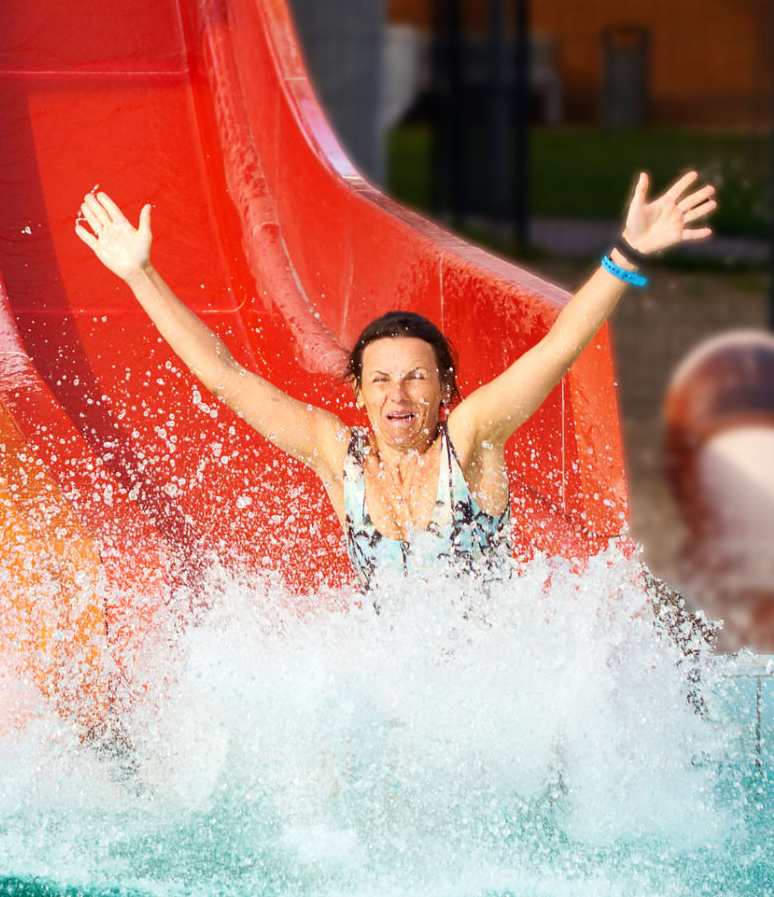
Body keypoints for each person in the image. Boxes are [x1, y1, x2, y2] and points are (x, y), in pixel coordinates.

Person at [74, 172, 715, 587]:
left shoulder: (470, 439)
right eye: (380, 381)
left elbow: (555, 351)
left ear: (444, 390)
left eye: (415, 379)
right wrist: (140, 275)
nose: (397, 396)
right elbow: (225, 376)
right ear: (358, 392)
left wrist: (627, 254)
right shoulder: (337, 454)